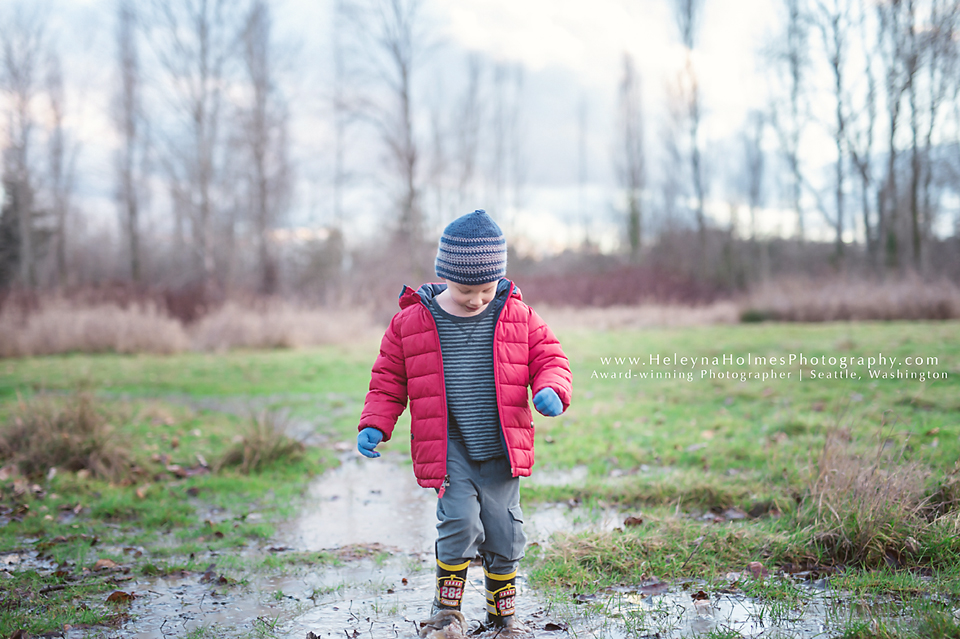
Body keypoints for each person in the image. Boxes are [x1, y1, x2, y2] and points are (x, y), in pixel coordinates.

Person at [356, 209, 572, 631]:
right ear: (445, 275)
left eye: (486, 289)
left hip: (501, 447)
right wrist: (375, 424)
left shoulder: (518, 316)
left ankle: (501, 614)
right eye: (465, 290)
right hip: (449, 447)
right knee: (459, 525)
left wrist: (551, 389)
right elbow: (387, 380)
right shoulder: (412, 322)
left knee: (504, 533)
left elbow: (551, 358)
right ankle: (446, 610)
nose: (476, 299)